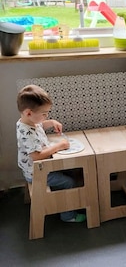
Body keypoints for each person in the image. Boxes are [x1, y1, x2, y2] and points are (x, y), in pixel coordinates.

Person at [16, 84, 86, 223]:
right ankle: (68, 215)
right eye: (44, 114)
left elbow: (40, 125)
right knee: (69, 182)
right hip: (37, 173)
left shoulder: (28, 122)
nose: (46, 116)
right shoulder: (28, 132)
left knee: (74, 170)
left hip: (37, 169)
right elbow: (36, 156)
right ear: (29, 113)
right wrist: (59, 146)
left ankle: (76, 201)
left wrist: (51, 122)